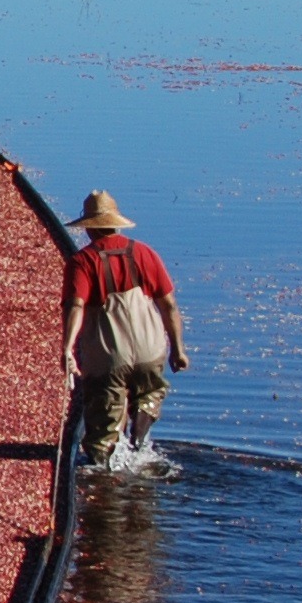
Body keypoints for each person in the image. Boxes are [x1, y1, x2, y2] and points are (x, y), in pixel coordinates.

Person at [61, 190, 189, 464]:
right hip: (150, 347)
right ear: (116, 222)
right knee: (150, 393)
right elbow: (168, 305)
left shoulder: (83, 262)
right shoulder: (144, 253)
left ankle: (108, 469)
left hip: (108, 353)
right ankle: (139, 440)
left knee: (102, 428)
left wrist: (67, 348)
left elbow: (76, 307)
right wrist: (178, 349)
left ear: (88, 229)